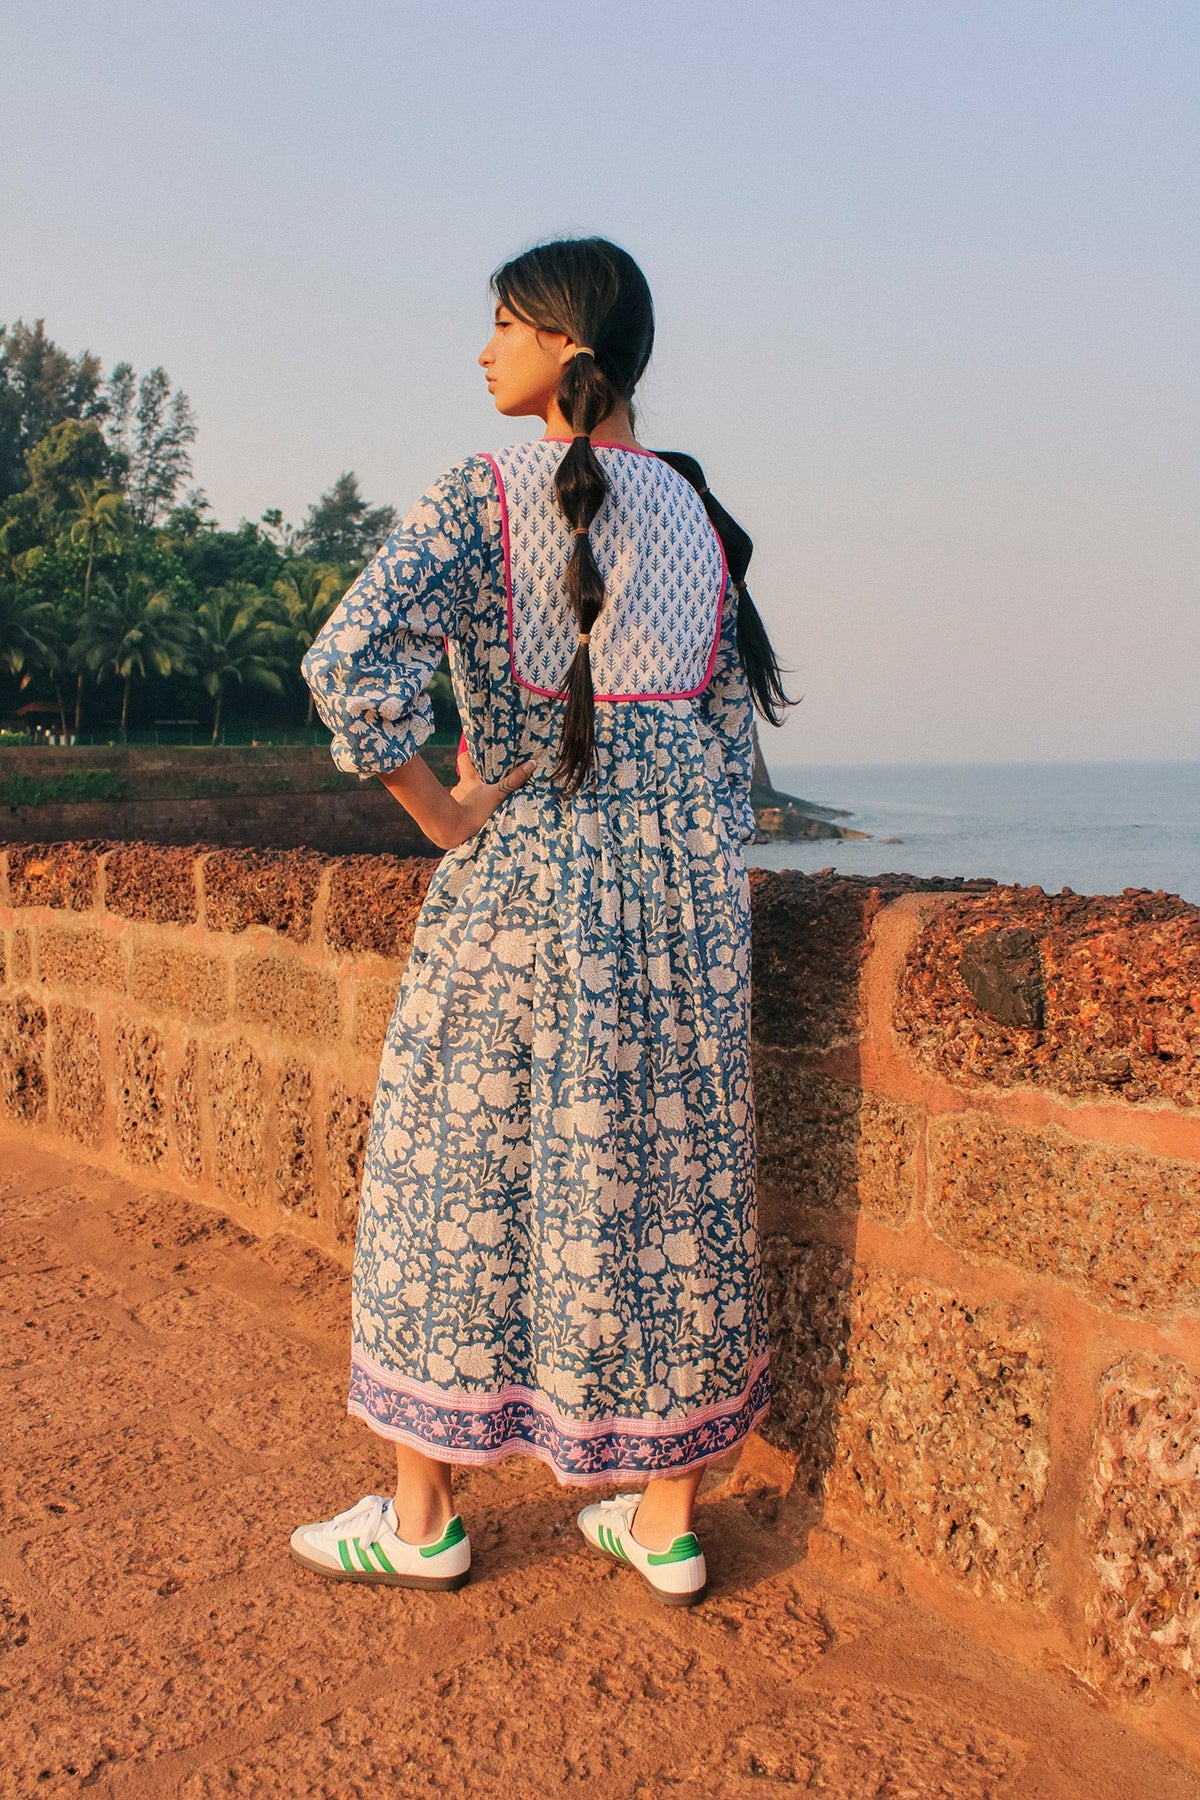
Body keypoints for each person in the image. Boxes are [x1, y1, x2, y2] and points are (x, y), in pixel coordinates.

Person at [292, 236, 793, 1607]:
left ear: (566, 350)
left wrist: (442, 814)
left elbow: (347, 662)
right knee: (677, 1199)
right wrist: (682, 898)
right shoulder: (701, 517)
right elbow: (725, 754)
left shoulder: (480, 494)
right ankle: (667, 1522)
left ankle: (423, 1519)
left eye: (500, 325)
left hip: (519, 904)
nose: (481, 351)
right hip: (677, 925)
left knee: (452, 1184)